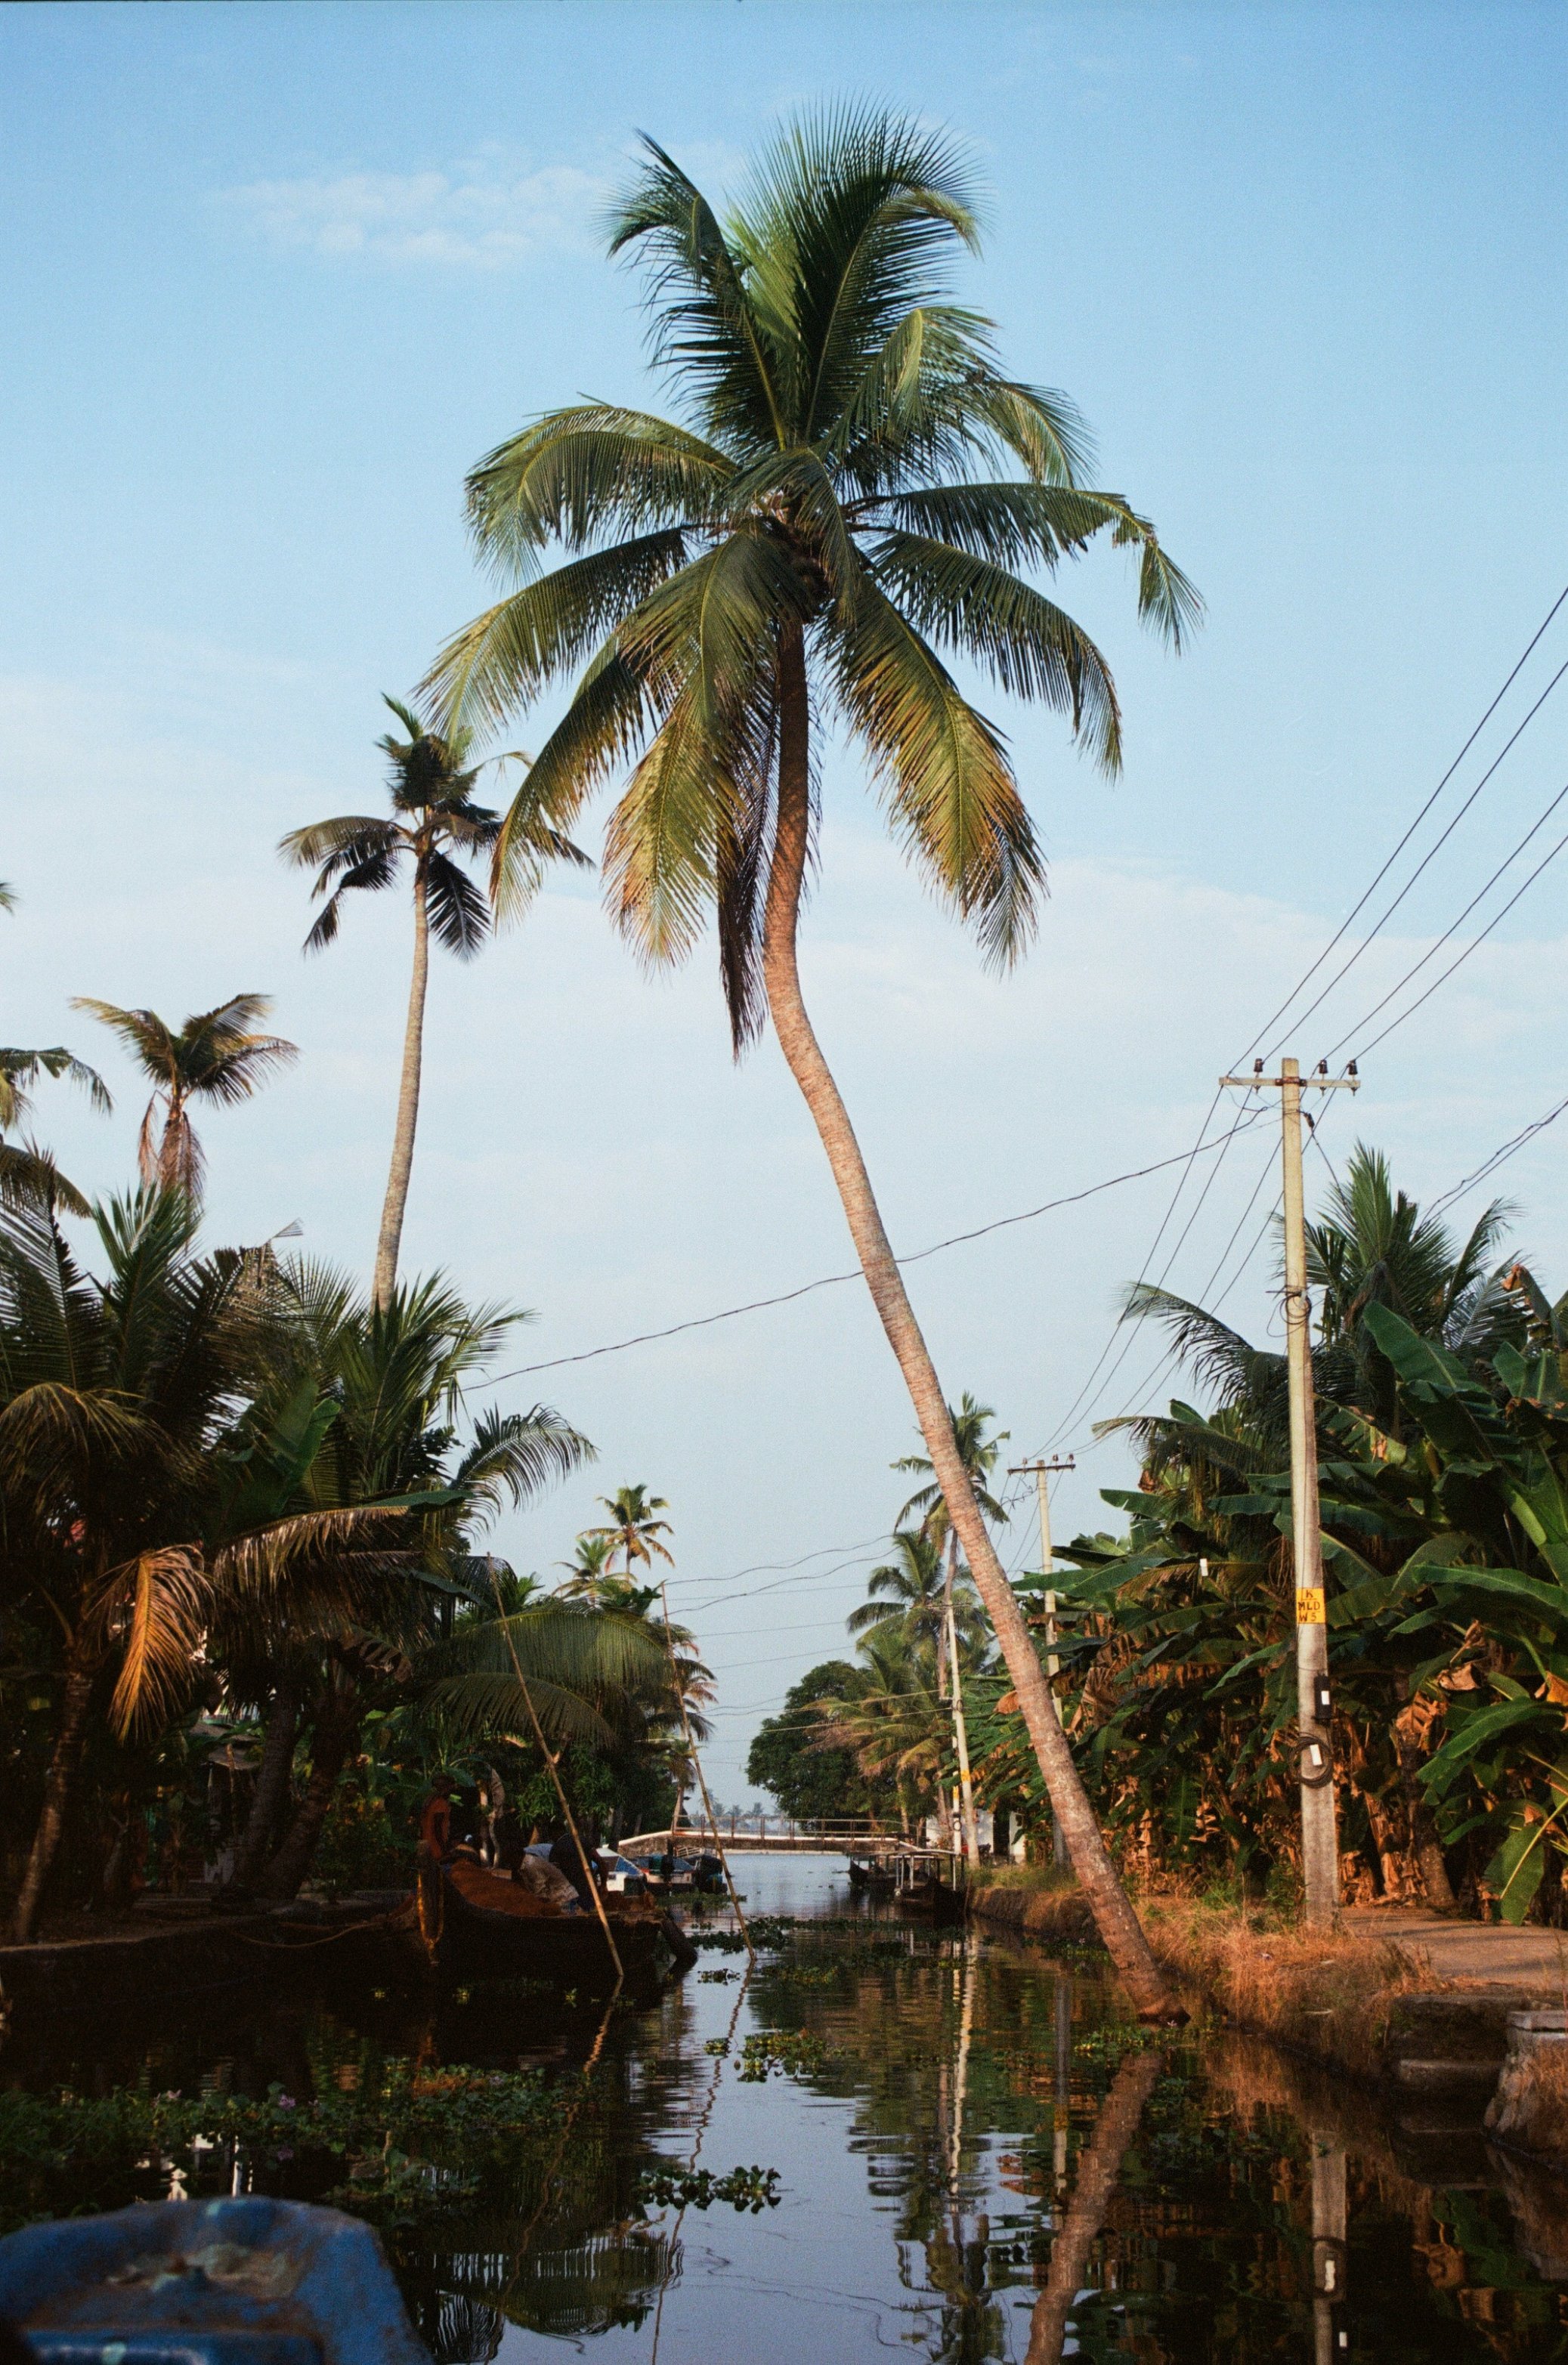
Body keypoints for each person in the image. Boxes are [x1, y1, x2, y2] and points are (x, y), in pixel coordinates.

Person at [419, 1773, 456, 1861]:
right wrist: (444, 1849)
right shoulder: (441, 1804)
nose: (453, 1790)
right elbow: (438, 1829)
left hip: (426, 1847)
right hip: (436, 1849)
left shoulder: (429, 1802)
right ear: (445, 1788)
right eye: (451, 1787)